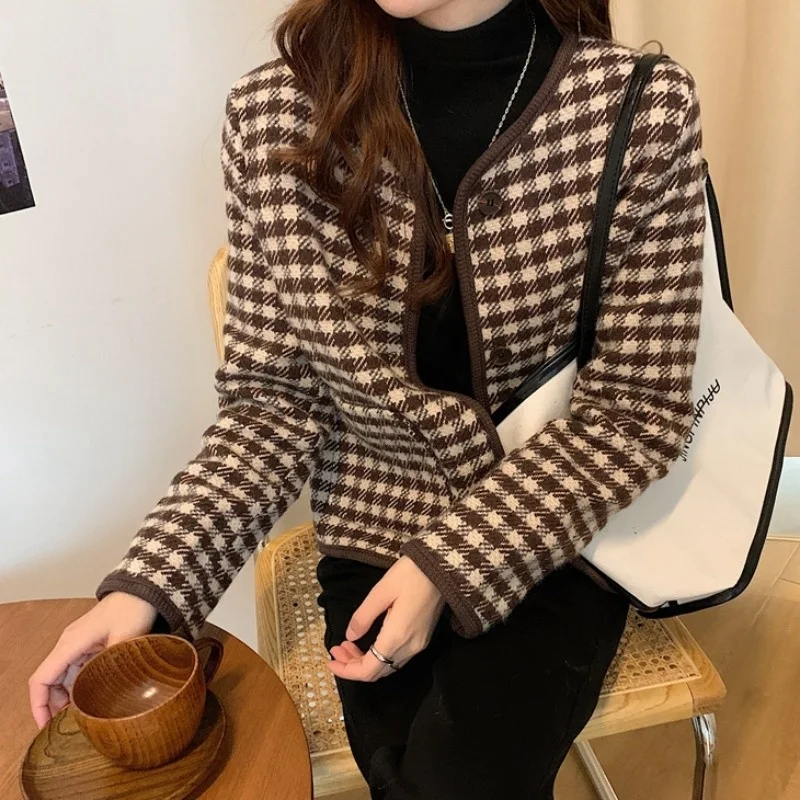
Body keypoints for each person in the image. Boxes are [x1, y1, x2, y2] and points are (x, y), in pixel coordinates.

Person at [29, 0, 705, 796]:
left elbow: (635, 411)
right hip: (374, 527)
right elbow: (272, 406)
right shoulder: (273, 118)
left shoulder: (637, 108)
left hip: (556, 527)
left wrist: (448, 566)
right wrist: (154, 581)